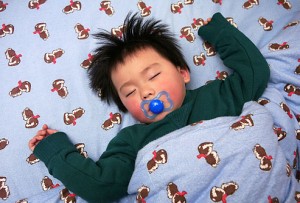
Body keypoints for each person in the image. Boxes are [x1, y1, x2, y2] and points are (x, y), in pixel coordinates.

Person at [28, 12, 270, 202]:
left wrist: (221, 34)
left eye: (153, 75)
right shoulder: (131, 141)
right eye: (130, 92)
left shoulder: (216, 96)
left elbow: (254, 73)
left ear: (183, 73)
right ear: (124, 106)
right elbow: (100, 186)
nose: (145, 92)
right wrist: (56, 151)